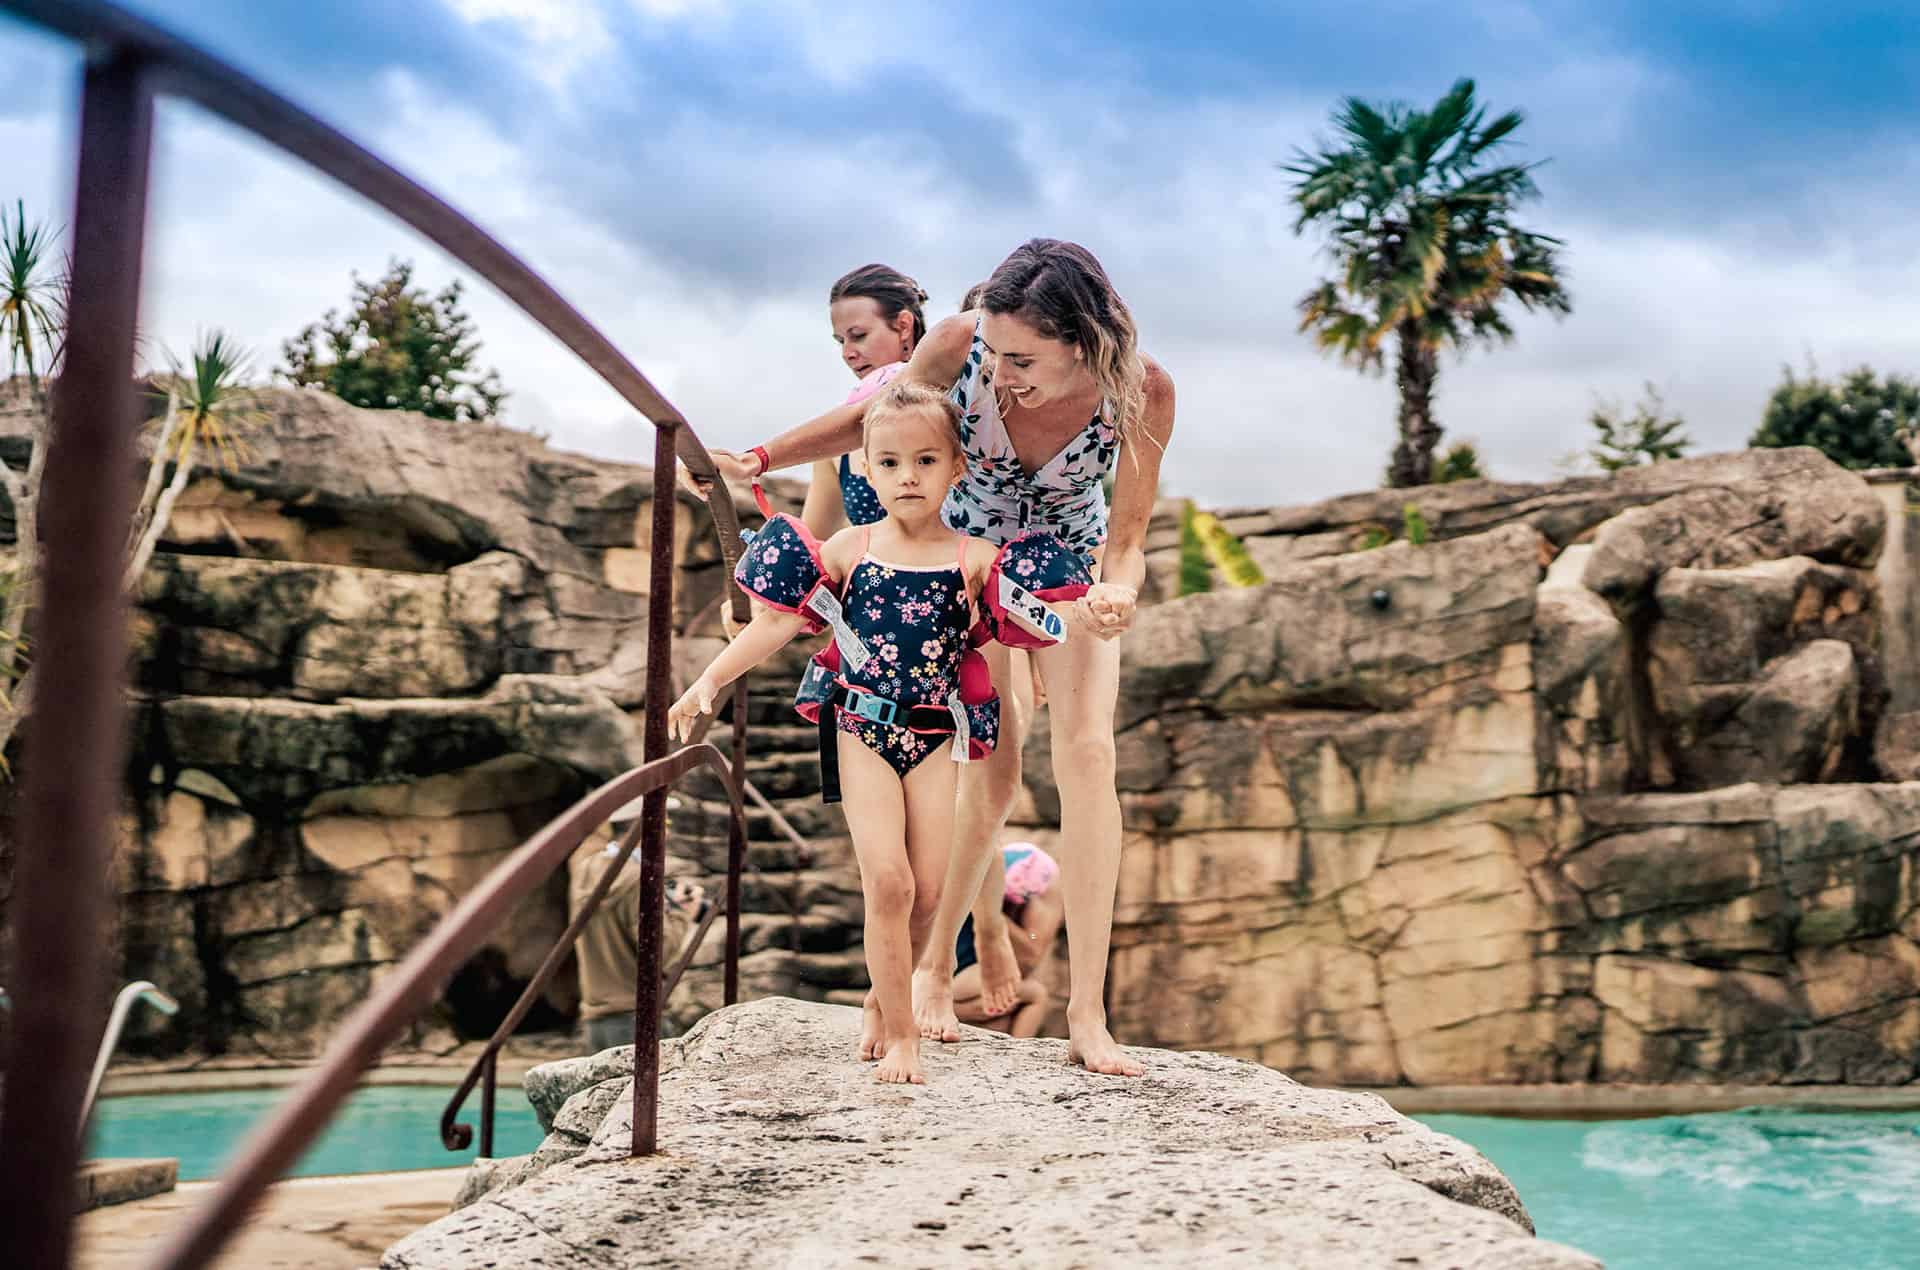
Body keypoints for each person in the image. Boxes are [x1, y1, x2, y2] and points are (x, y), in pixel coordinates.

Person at [684, 238, 1175, 1077]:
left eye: (1023, 359)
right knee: (994, 759)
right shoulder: (961, 341)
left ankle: (1089, 1016)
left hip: (1063, 568)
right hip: (962, 554)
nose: (1003, 371)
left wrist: (1117, 590)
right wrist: (758, 458)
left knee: (1090, 753)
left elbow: (1126, 540)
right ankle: (931, 970)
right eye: (997, 352)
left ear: (1081, 337)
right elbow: (871, 421)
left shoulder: (1142, 392)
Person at [669, 381, 1007, 1085]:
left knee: (930, 892)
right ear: (866, 468)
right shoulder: (850, 548)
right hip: (862, 726)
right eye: (887, 463)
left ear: (957, 468)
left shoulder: (974, 558)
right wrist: (710, 681)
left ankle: (879, 998)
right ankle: (901, 1037)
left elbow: (1028, 622)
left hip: (933, 736)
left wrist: (1087, 609)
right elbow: (779, 623)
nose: (906, 477)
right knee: (887, 883)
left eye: (924, 461)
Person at [568, 797, 706, 1053]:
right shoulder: (640, 880)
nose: (669, 830)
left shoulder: (587, 868)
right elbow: (660, 953)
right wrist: (685, 914)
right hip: (635, 1020)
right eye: (665, 822)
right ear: (647, 827)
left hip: (595, 1020)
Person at [801, 264, 929, 539]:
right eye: (840, 341)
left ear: (904, 326)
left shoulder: (963, 413)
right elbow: (812, 548)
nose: (847, 353)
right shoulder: (837, 447)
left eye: (859, 336)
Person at [951, 842, 1064, 1038]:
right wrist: (991, 913)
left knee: (1004, 1015)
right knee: (1037, 994)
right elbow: (1031, 948)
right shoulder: (985, 902)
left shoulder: (1032, 893)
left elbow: (1033, 944)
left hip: (961, 978)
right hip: (960, 976)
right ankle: (1019, 1050)